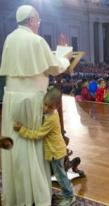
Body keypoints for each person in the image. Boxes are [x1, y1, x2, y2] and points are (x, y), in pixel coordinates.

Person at [0, 5, 71, 206]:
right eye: (37, 21)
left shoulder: (10, 38)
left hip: (12, 98)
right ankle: (36, 196)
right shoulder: (36, 40)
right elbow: (55, 67)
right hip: (31, 100)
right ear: (32, 19)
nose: (38, 25)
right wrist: (65, 57)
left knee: (16, 144)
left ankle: (18, 195)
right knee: (32, 145)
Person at [13, 88, 75, 205]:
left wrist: (22, 130)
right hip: (57, 150)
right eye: (45, 104)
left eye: (50, 107)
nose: (46, 108)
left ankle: (69, 196)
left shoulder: (51, 119)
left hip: (55, 152)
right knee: (61, 174)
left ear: (56, 107)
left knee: (60, 176)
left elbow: (38, 135)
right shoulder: (50, 114)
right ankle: (67, 191)